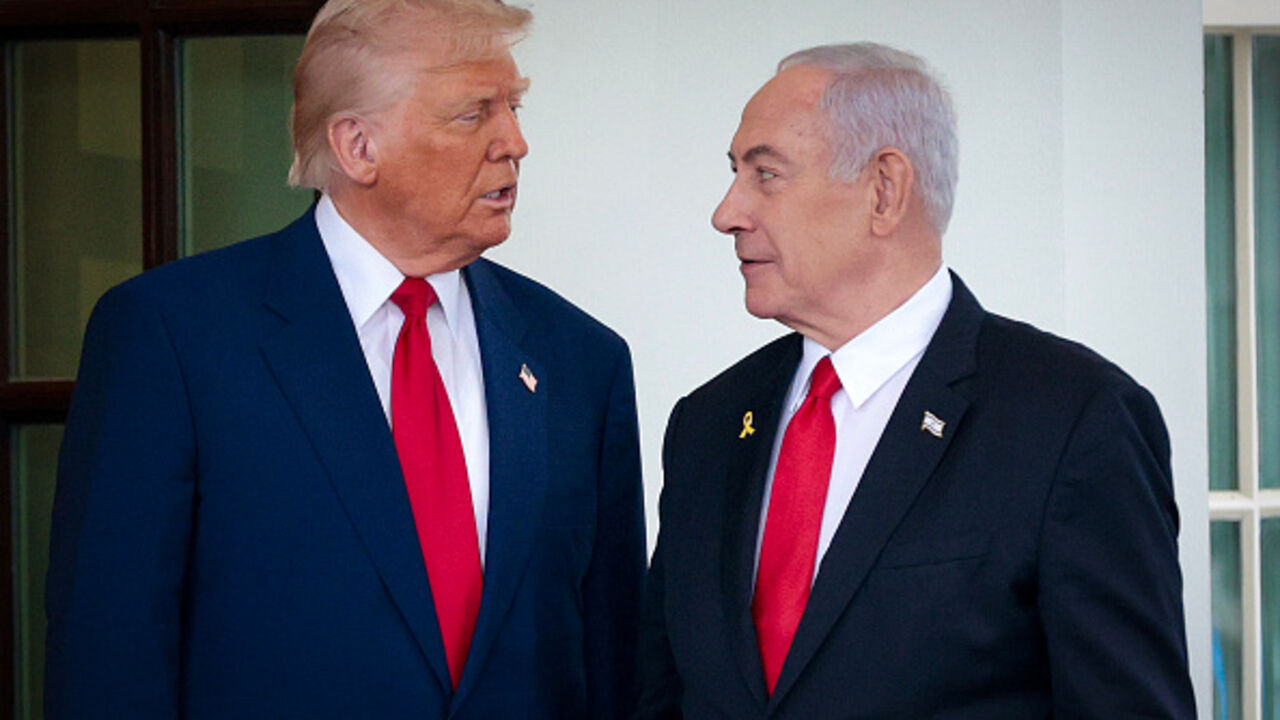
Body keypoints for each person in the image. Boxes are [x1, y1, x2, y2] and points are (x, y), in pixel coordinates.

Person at [44, 1, 645, 717]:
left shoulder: (581, 359)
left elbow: (615, 664)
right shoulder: (173, 334)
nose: (514, 141)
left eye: (513, 107)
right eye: (473, 113)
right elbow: (109, 660)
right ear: (358, 146)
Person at [636, 42, 1195, 719]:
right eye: (735, 173)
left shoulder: (1073, 421)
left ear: (884, 190)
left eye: (766, 175)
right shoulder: (709, 423)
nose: (727, 212)